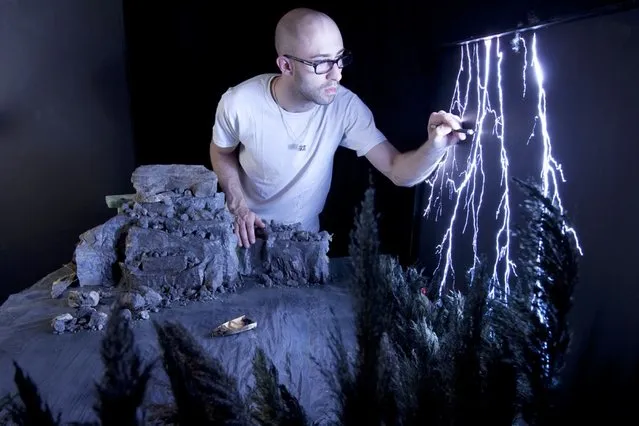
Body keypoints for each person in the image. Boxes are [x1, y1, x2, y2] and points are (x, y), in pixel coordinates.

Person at [210, 7, 465, 248]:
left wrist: (435, 146)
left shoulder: (345, 107)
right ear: (286, 66)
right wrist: (238, 206)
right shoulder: (239, 102)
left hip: (304, 241)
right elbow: (221, 152)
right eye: (321, 63)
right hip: (243, 235)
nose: (337, 75)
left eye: (340, 59)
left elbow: (397, 171)